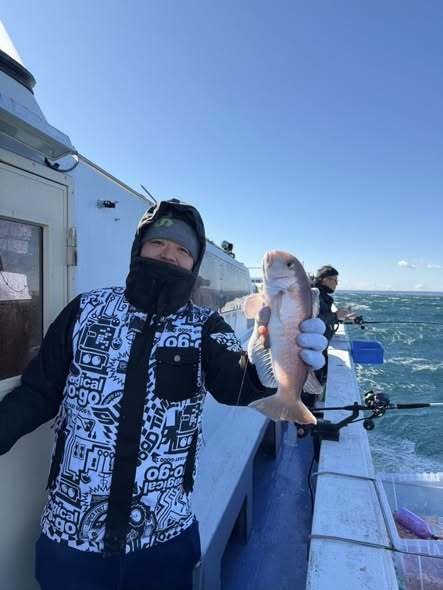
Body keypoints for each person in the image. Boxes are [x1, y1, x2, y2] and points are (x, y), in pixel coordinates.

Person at [0, 199, 326, 590]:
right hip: (70, 534)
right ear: (138, 248)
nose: (169, 254)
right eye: (158, 242)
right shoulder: (85, 310)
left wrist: (271, 357)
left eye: (183, 249)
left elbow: (237, 384)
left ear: (194, 263)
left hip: (163, 538)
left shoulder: (205, 326)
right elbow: (37, 393)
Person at [312, 265, 357, 385]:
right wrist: (336, 316)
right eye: (335, 280)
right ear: (324, 279)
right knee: (313, 383)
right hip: (313, 349)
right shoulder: (315, 295)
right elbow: (312, 320)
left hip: (318, 346)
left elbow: (322, 316)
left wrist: (341, 317)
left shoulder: (321, 295)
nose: (337, 283)